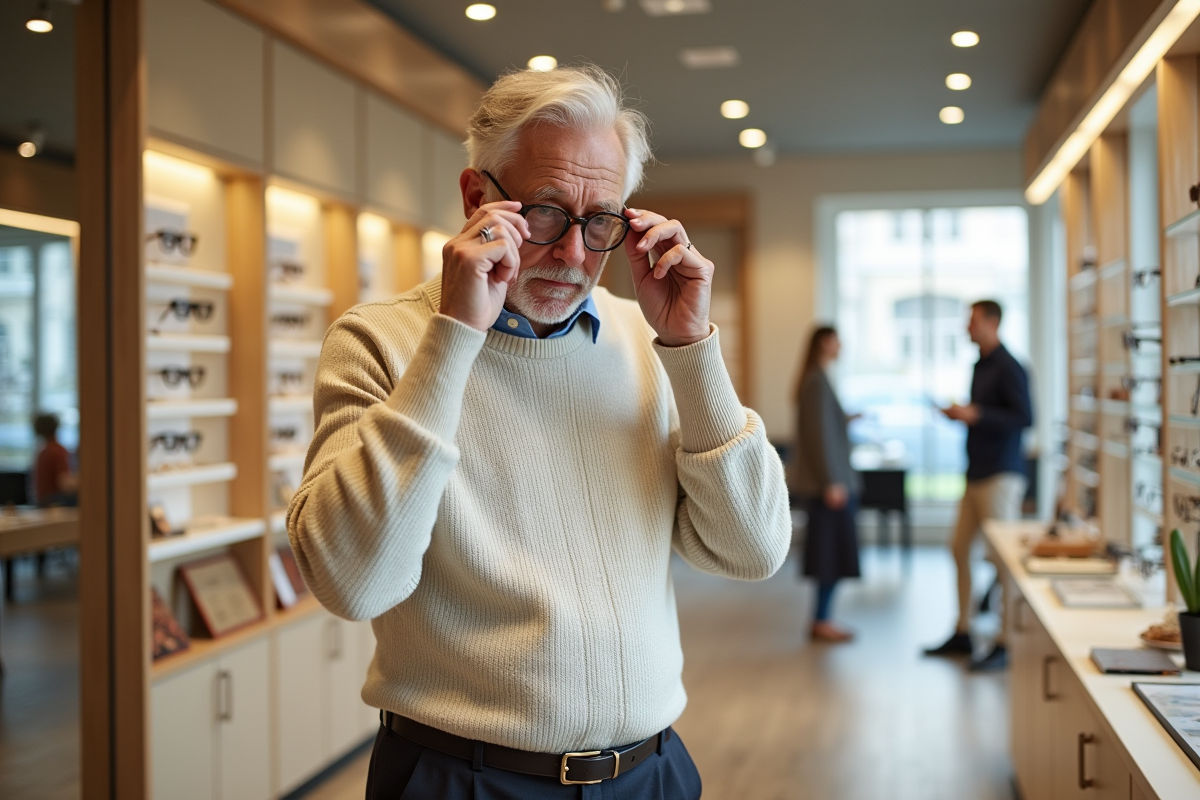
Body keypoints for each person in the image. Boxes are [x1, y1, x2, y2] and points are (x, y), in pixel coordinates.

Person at [287, 65, 791, 799]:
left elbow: (753, 550)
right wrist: (455, 334)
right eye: (547, 213)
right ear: (474, 198)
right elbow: (352, 581)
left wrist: (692, 348)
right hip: (463, 780)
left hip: (650, 774)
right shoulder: (382, 343)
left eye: (601, 222)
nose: (575, 256)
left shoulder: (644, 341)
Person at [924, 300, 1032, 671]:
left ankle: (1005, 641)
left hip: (1001, 475)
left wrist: (977, 414)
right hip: (975, 472)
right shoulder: (980, 365)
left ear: (992, 322)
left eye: (972, 322)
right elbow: (983, 416)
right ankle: (964, 630)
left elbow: (1023, 417)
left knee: (1003, 561)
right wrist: (965, 415)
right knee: (959, 549)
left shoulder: (1009, 366)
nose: (966, 328)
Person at [791, 325, 860, 642]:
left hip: (825, 484)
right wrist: (833, 482)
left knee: (829, 553)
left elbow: (825, 426)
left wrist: (846, 419)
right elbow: (819, 437)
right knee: (828, 555)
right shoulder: (817, 381)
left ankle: (822, 617)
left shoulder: (817, 379)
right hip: (826, 487)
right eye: (836, 340)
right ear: (824, 343)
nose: (841, 345)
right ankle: (821, 619)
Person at [32, 412, 76, 507]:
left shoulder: (43, 451)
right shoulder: (57, 451)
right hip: (53, 502)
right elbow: (65, 484)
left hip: (41, 502)